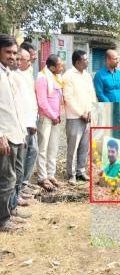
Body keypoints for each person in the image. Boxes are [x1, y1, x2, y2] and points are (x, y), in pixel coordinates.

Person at [0, 34, 27, 232]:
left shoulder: (8, 74)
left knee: (16, 176)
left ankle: (11, 210)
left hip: (16, 134)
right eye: (8, 52)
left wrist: (22, 132)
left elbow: (16, 109)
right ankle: (3, 220)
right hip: (5, 136)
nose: (12, 56)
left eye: (14, 53)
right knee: (6, 179)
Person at [9, 48, 38, 209]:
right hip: (15, 129)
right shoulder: (10, 76)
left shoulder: (23, 75)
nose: (17, 61)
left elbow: (25, 103)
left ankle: (17, 196)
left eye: (20, 58)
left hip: (24, 125)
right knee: (12, 172)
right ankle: (11, 206)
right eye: (15, 57)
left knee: (18, 168)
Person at [63, 50, 97, 185]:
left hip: (88, 116)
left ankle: (80, 171)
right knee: (73, 146)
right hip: (75, 117)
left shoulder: (87, 76)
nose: (88, 61)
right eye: (85, 60)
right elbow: (68, 98)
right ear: (77, 62)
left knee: (84, 146)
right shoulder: (68, 76)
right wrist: (80, 113)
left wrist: (91, 111)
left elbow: (91, 94)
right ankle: (71, 174)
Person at [35, 54, 64, 191]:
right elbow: (42, 102)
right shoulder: (42, 78)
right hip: (46, 118)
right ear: (52, 67)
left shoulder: (57, 77)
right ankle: (42, 177)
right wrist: (53, 116)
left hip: (55, 118)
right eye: (59, 65)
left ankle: (51, 174)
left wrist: (57, 116)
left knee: (53, 148)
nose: (62, 67)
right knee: (43, 148)